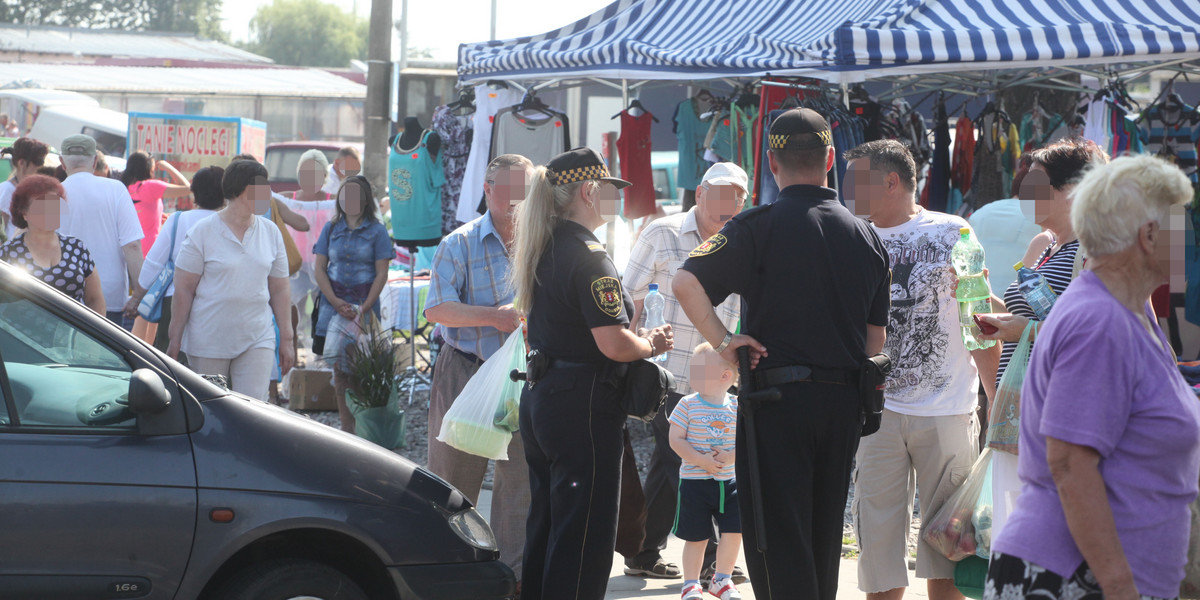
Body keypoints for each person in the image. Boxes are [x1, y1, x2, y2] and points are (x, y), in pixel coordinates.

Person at [673, 108, 891, 600]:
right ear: (830, 159)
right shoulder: (868, 237)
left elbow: (685, 281)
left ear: (771, 162)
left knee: (778, 538)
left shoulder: (757, 225)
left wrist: (724, 342)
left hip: (776, 403)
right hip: (841, 405)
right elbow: (875, 341)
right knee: (823, 535)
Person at [985, 155, 1200, 599]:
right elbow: (1069, 462)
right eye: (1183, 221)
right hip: (1076, 579)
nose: (1191, 237)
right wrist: (1120, 585)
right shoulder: (1099, 321)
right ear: (1149, 235)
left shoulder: (1125, 310)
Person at [512, 147, 673, 600]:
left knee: (549, 522)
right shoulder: (588, 255)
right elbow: (614, 344)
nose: (616, 200)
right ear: (587, 191)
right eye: (609, 190)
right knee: (585, 532)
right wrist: (652, 344)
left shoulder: (546, 244)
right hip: (581, 403)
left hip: (545, 394)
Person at [843, 139, 999, 600]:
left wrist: (997, 404)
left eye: (857, 178)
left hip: (948, 408)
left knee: (948, 548)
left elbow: (978, 323)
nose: (847, 188)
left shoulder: (955, 232)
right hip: (876, 414)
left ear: (891, 182)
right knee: (877, 547)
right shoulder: (850, 236)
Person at [975, 139, 1109, 537]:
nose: (1024, 194)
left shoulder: (1095, 250)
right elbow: (1026, 317)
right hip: (1015, 403)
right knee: (1012, 524)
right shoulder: (1042, 245)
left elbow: (1100, 332)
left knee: (1055, 528)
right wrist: (983, 299)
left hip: (1062, 408)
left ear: (1071, 190)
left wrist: (1024, 330)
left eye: (1036, 185)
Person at [621, 162, 747, 583]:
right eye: (721, 196)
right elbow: (628, 296)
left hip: (716, 379)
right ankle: (712, 557)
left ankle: (643, 548)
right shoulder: (663, 233)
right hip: (664, 372)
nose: (728, 207)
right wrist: (631, 356)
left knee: (671, 459)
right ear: (699, 194)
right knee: (690, 456)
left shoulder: (742, 241)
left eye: (738, 199)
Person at [424, 154, 533, 590]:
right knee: (452, 483)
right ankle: (451, 575)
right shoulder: (459, 242)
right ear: (487, 189)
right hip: (466, 372)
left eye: (523, 189)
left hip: (523, 376)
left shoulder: (540, 241)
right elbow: (437, 309)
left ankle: (511, 579)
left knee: (521, 483)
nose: (515, 199)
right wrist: (494, 317)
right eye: (507, 188)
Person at [168, 159, 293, 401]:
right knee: (210, 409)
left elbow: (280, 289)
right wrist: (175, 338)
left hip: (257, 335)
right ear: (238, 191)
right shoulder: (202, 232)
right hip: (209, 337)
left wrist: (286, 338)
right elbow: (184, 289)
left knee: (255, 410)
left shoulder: (270, 232)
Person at [312, 175, 393, 432]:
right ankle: (346, 429)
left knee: (362, 371)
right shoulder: (330, 229)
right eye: (345, 196)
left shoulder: (377, 231)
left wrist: (365, 307)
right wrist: (336, 302)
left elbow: (382, 273)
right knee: (340, 373)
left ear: (366, 200)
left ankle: (365, 429)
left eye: (356, 196)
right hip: (333, 308)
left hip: (364, 306)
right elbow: (320, 269)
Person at [668, 342, 744, 600]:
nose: (692, 376)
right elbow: (675, 439)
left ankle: (722, 579)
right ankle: (690, 583)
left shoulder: (737, 406)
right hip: (694, 482)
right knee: (696, 537)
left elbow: (746, 441)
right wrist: (700, 460)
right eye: (693, 369)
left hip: (729, 483)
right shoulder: (687, 404)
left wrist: (731, 456)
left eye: (700, 371)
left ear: (725, 376)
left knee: (734, 532)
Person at [125, 166, 227, 355]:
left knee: (172, 363)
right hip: (217, 302)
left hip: (174, 300)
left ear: (194, 193)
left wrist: (137, 297)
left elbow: (154, 263)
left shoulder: (178, 220)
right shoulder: (229, 224)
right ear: (225, 195)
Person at [57, 134, 144, 331]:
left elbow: (40, 241)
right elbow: (132, 245)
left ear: (62, 162)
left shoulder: (53, 194)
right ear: (95, 161)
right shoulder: (116, 190)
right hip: (109, 295)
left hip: (62, 294)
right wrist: (138, 294)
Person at [0, 174, 104, 313]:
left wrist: (91, 334)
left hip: (71, 333)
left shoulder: (76, 247)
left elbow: (95, 299)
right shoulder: (7, 253)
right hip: (19, 334)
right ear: (24, 213)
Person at [121, 151, 192, 344]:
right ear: (148, 168)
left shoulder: (126, 187)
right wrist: (168, 167)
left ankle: (132, 344)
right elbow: (187, 188)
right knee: (150, 308)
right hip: (151, 255)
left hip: (129, 252)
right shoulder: (151, 186)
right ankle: (143, 348)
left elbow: (140, 214)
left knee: (138, 306)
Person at [0, 137, 51, 240]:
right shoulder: (7, 189)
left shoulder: (41, 190)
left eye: (43, 161)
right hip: (12, 253)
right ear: (22, 163)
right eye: (38, 161)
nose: (41, 165)